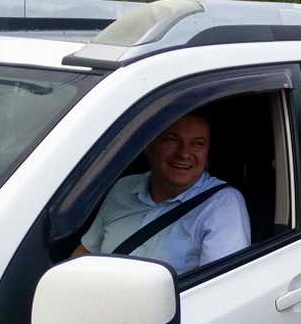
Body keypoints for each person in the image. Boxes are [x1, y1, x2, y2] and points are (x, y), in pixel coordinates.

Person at [73, 113, 251, 274]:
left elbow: (218, 287)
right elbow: (86, 251)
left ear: (207, 153)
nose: (184, 153)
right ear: (148, 146)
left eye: (197, 144)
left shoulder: (222, 204)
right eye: (172, 140)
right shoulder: (123, 188)